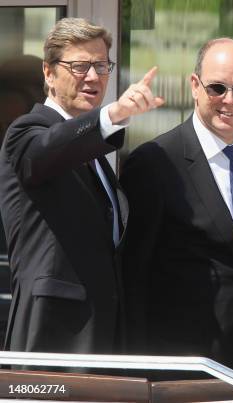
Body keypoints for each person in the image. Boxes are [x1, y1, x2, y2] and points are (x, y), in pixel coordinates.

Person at [121, 38, 233, 378]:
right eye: (217, 87)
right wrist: (136, 378)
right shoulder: (155, 161)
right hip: (188, 370)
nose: (229, 100)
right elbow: (132, 278)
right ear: (194, 86)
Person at [0, 17, 163, 358]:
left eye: (101, 66)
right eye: (79, 66)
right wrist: (112, 114)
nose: (93, 77)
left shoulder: (95, 155)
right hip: (54, 334)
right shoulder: (27, 132)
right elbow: (48, 150)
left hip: (103, 333)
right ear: (48, 73)